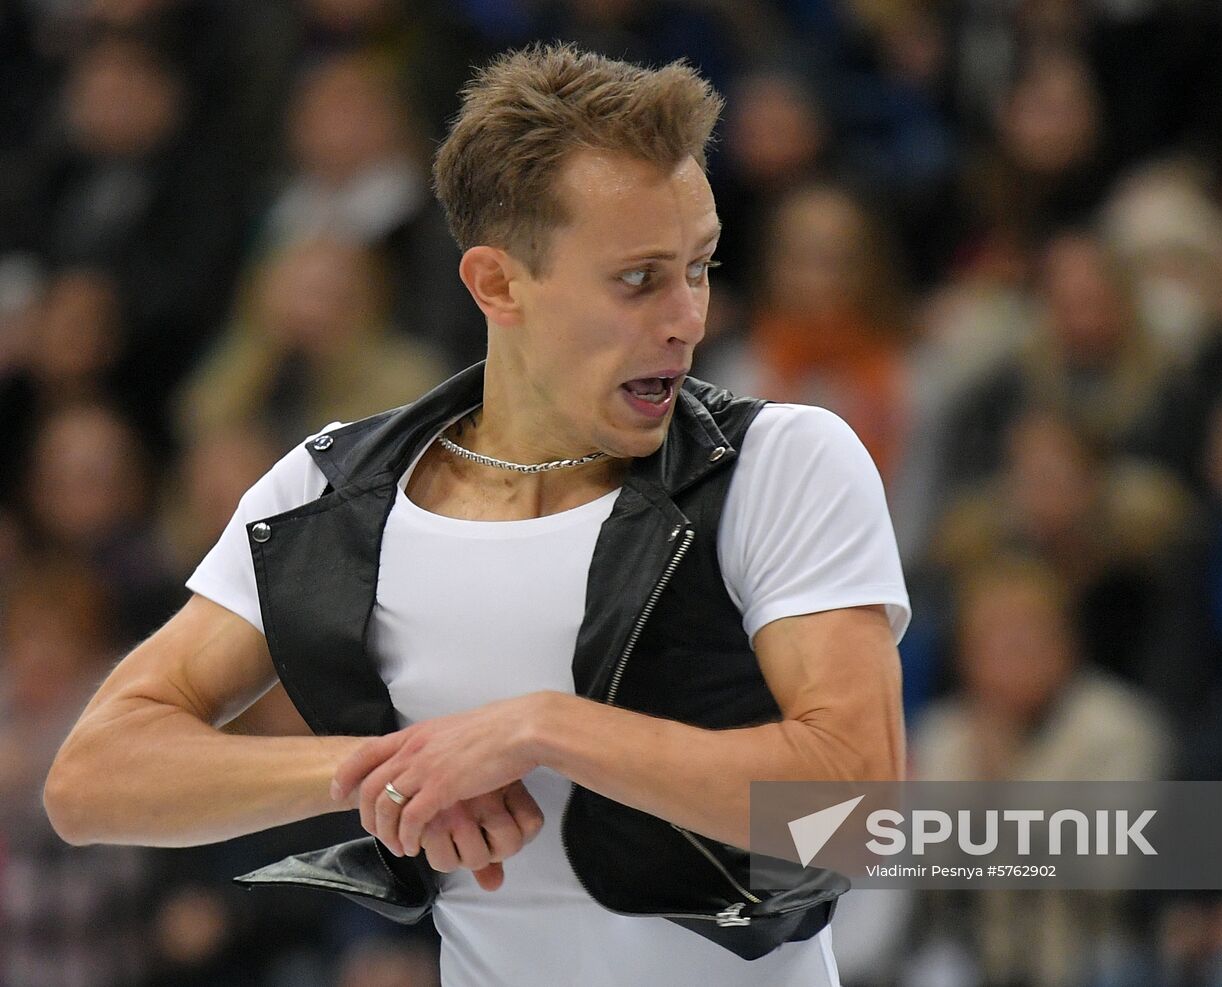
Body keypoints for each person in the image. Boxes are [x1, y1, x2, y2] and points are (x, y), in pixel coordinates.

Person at [44, 43, 909, 986]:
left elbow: (860, 805)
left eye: (699, 267)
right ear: (497, 284)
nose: (687, 318)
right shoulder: (334, 494)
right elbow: (93, 777)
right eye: (638, 278)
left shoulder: (781, 462)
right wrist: (391, 773)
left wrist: (545, 728)